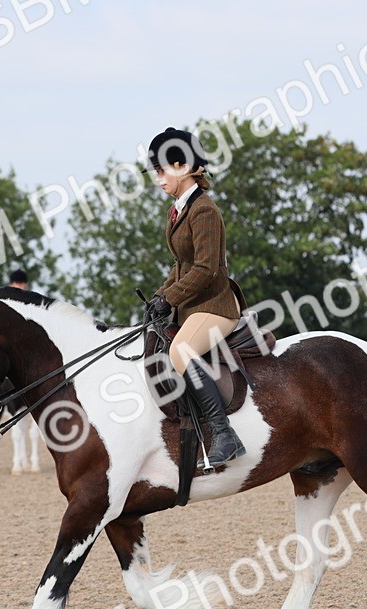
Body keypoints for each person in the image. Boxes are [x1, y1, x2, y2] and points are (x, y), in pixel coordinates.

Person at [144, 126, 246, 467]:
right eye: (156, 172)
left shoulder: (204, 210)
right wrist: (158, 297)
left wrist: (169, 298)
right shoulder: (179, 209)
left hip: (215, 306)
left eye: (162, 170)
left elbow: (205, 270)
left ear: (183, 167)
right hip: (192, 307)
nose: (158, 179)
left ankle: (224, 433)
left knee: (180, 350)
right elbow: (181, 264)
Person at [5, 268, 42, 474]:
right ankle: (17, 459)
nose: (20, 286)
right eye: (17, 283)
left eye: (22, 283)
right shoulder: (6, 305)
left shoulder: (31, 304)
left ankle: (34, 458)